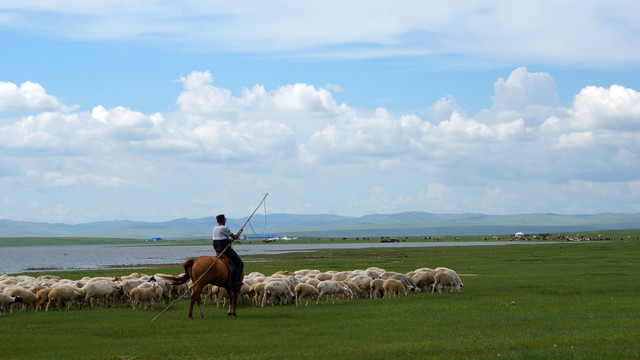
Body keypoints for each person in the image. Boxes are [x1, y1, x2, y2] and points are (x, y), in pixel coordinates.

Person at [212, 214, 244, 288]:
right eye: (225, 220)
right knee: (240, 264)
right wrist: (240, 231)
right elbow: (235, 237)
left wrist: (227, 240)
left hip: (217, 250)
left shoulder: (214, 228)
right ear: (223, 220)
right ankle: (236, 281)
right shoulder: (224, 228)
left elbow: (219, 238)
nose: (225, 221)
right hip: (225, 250)